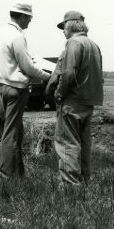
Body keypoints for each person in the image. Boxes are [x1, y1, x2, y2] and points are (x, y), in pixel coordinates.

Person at [0, 3, 50, 178]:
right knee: (11, 133)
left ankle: (18, 174)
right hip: (17, 90)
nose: (30, 21)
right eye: (29, 18)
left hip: (2, 86)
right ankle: (5, 174)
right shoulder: (18, 37)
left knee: (15, 131)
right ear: (22, 16)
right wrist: (49, 76)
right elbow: (28, 67)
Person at [46, 11, 103, 186]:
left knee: (67, 144)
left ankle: (71, 187)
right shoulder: (94, 45)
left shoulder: (73, 43)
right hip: (88, 103)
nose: (63, 31)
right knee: (84, 145)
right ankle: (85, 182)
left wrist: (59, 93)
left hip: (72, 103)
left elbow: (68, 73)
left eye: (64, 27)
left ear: (70, 25)